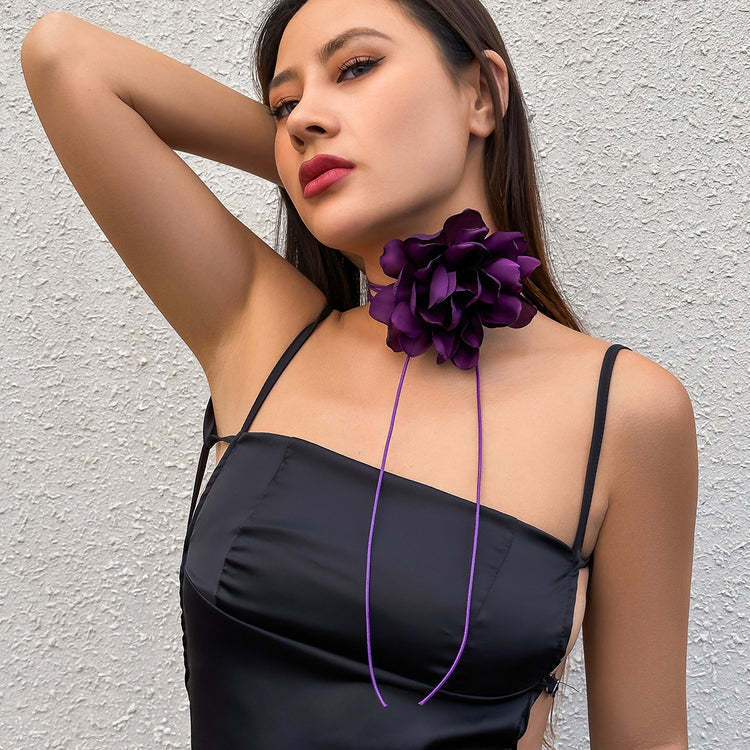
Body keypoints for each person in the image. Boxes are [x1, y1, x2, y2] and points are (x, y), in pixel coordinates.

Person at [21, 0, 698, 747]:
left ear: (480, 93)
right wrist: (311, 159)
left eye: (356, 68)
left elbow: (649, 741)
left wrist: (351, 148)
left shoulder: (625, 410)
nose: (304, 118)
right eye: (284, 106)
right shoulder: (264, 335)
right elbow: (64, 56)